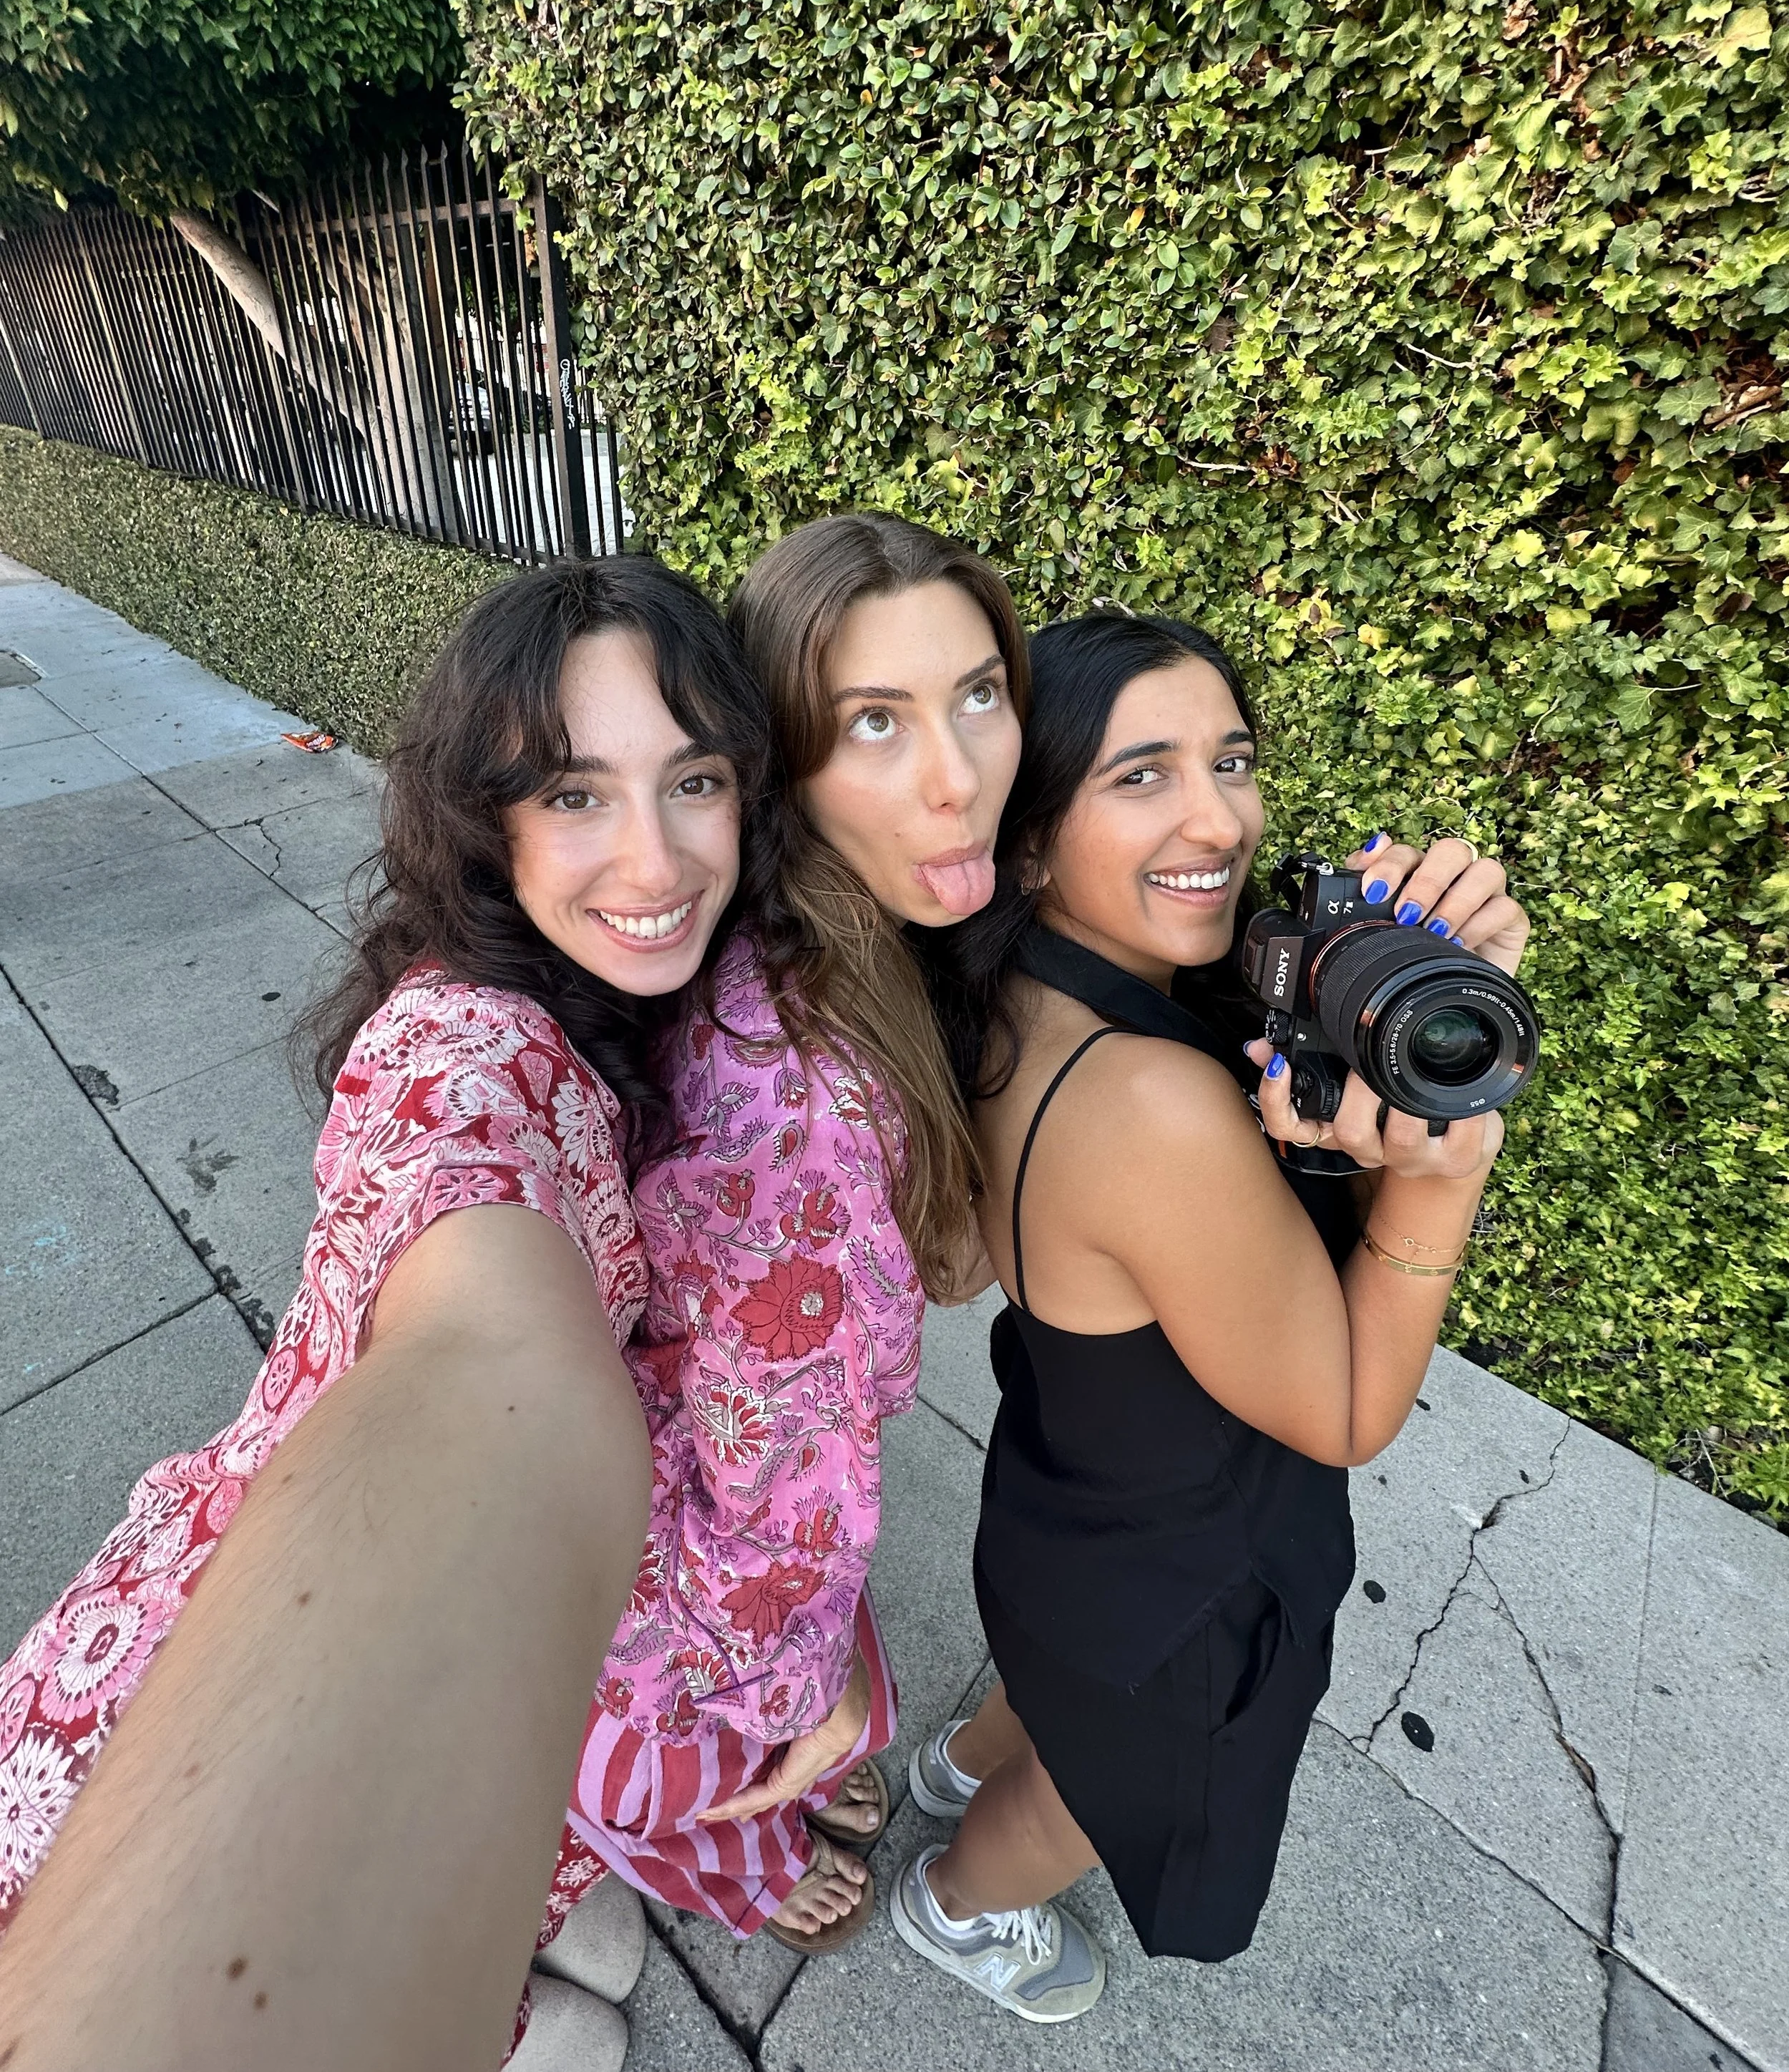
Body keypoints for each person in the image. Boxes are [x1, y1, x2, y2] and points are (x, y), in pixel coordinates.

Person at [0, 558, 769, 2072]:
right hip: (231, 1641)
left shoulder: (636, 986)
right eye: (572, 795)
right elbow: (490, 1352)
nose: (656, 856)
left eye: (694, 780)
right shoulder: (457, 1051)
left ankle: (520, 1942)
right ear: (483, 819)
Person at [892, 611, 1533, 2022]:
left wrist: (1356, 982)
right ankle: (949, 1900)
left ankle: (953, 1762)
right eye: (1139, 775)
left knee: (1061, 1702)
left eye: (1227, 757)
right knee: (1093, 1788)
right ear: (1030, 833)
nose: (1216, 814)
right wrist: (1443, 1170)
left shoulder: (1017, 997)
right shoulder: (1147, 1100)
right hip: (1177, 1570)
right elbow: (1345, 1408)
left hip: (1077, 1500)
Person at [562, 512, 1025, 1952]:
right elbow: (781, 1486)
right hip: (686, 1561)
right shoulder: (808, 1107)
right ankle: (750, 1870)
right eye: (873, 722)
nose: (956, 779)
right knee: (753, 1779)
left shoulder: (816, 942)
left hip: (660, 1455)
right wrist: (798, 1686)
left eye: (979, 695)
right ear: (779, 759)